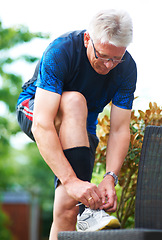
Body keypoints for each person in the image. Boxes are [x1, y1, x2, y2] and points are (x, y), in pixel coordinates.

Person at [16, 9, 137, 240]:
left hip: (83, 126)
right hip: (38, 111)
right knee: (73, 100)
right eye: (103, 56)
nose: (109, 65)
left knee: (67, 210)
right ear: (87, 39)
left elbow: (120, 128)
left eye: (116, 58)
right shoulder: (61, 51)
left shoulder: (127, 69)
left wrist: (110, 178)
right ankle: (89, 211)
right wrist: (71, 181)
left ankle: (83, 212)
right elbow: (41, 124)